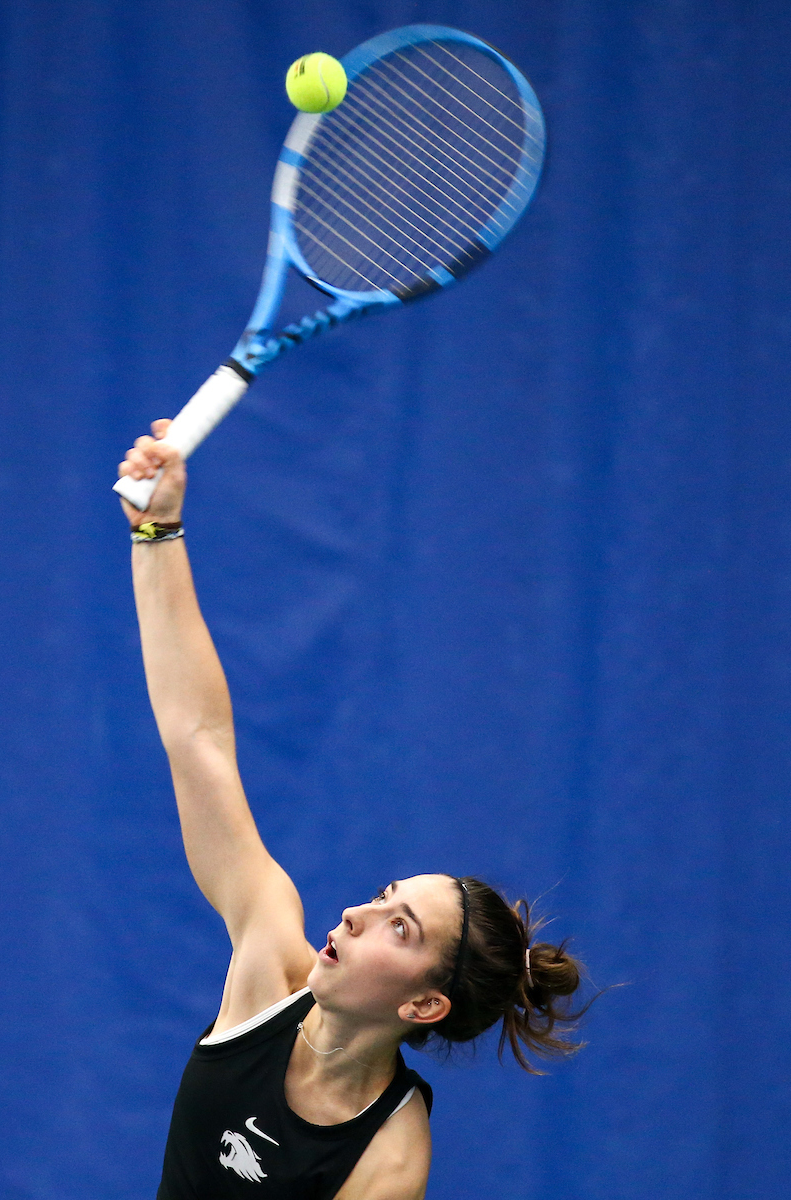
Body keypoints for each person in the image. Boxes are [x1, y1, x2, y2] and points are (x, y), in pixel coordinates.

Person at [118, 422, 586, 1200]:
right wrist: (157, 529)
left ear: (423, 1004)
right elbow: (197, 737)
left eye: (400, 928)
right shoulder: (268, 957)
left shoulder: (391, 1157)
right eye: (382, 897)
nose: (357, 915)